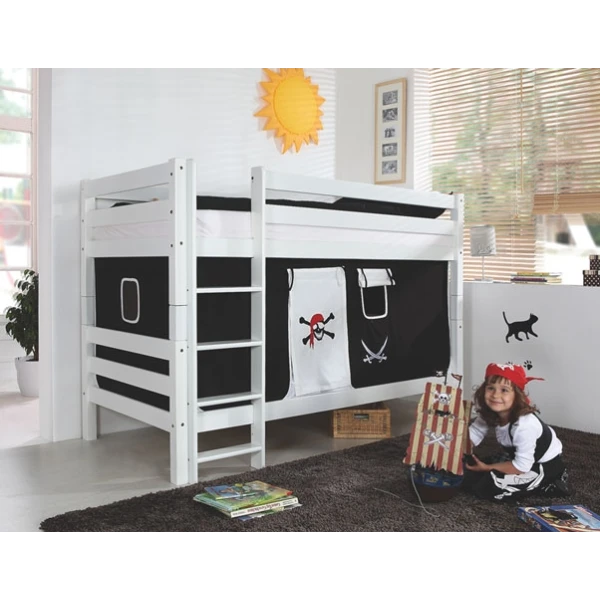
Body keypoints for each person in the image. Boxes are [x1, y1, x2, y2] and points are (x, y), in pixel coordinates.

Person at [464, 362, 570, 502]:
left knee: (490, 487)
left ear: (517, 395)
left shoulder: (524, 425)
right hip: (517, 456)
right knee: (469, 470)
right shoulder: (491, 411)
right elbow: (476, 432)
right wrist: (459, 449)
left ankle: (552, 480)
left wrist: (487, 468)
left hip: (542, 463)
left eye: (504, 390)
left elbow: (522, 466)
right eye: (491, 388)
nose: (495, 395)